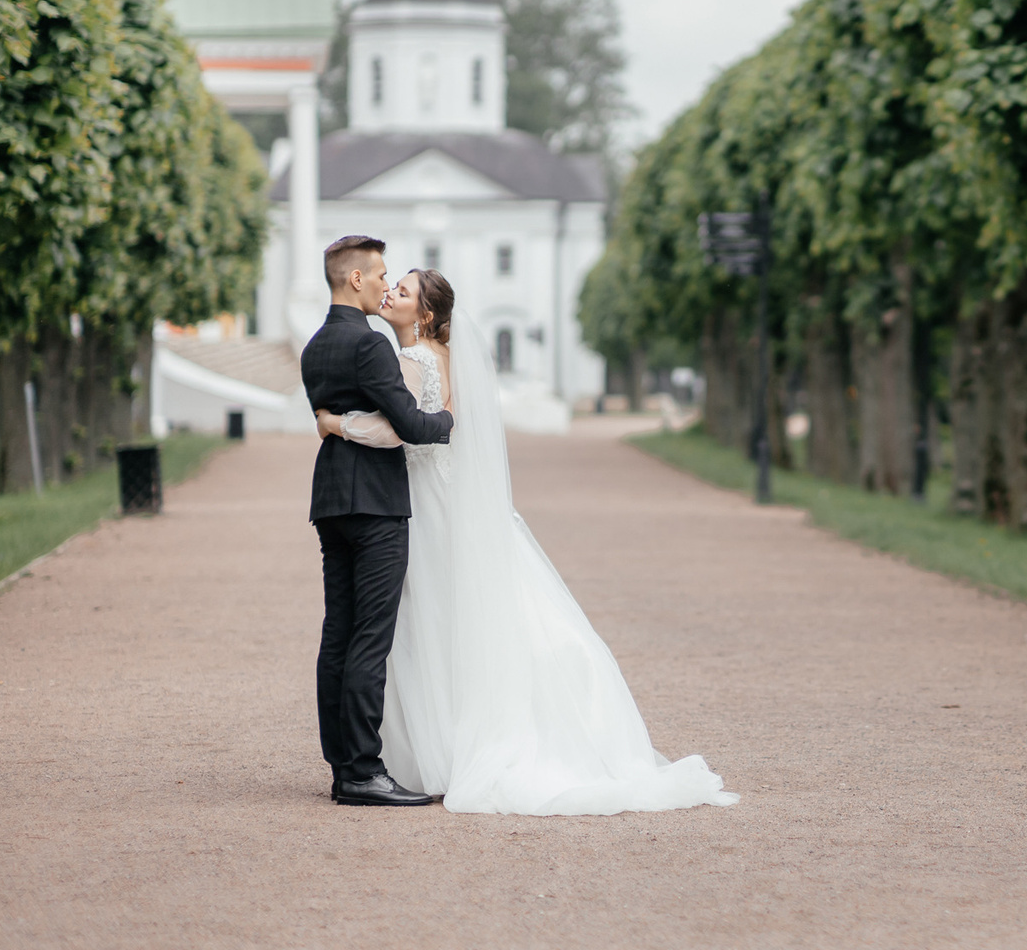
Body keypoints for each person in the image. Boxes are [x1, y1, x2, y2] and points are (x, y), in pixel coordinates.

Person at [318, 266, 738, 816]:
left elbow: (393, 428)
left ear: (424, 316)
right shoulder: (447, 360)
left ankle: (431, 749)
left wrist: (335, 424)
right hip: (449, 496)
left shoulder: (412, 359)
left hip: (418, 500)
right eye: (392, 284)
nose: (391, 291)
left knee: (427, 621)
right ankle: (444, 742)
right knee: (461, 617)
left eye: (404, 290)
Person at [300, 235, 455, 808]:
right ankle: (364, 769)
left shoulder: (314, 346)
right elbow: (408, 427)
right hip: (376, 505)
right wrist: (448, 423)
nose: (387, 283)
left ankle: (343, 764)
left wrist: (335, 425)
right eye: (382, 273)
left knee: (337, 633)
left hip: (332, 500)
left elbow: (338, 415)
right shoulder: (371, 347)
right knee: (371, 637)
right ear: (355, 279)